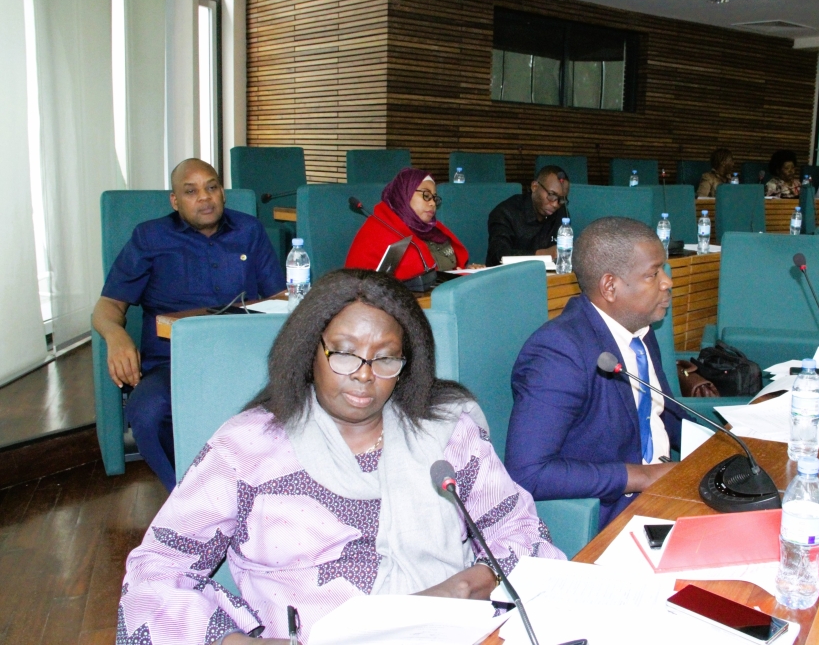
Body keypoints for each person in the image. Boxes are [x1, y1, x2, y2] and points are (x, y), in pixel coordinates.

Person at [117, 269, 564, 644]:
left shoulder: (447, 434)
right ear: (310, 349)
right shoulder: (245, 449)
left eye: (385, 359)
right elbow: (154, 572)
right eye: (345, 354)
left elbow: (521, 532)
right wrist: (235, 642)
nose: (365, 376)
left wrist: (464, 585)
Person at [92, 158, 284, 491]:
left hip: (242, 358)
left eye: (212, 187)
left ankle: (257, 492)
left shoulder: (249, 231)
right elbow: (108, 305)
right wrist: (115, 335)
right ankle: (186, 495)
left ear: (222, 193)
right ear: (175, 201)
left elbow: (281, 297)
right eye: (191, 191)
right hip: (171, 364)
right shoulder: (150, 237)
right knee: (147, 414)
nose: (205, 198)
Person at [505, 217, 682, 529]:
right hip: (611, 513)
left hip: (665, 490)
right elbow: (528, 473)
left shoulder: (639, 327)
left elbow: (661, 413)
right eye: (653, 274)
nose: (667, 282)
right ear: (610, 286)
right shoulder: (559, 351)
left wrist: (724, 448)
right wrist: (644, 476)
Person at [345, 168, 469, 289]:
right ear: (405, 194)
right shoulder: (379, 230)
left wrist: (466, 273)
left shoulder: (434, 229)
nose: (432, 203)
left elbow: (446, 270)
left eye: (434, 198)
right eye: (426, 195)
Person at [485, 165, 570, 266]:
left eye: (561, 199)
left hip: (548, 274)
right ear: (534, 187)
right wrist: (543, 254)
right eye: (551, 195)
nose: (555, 204)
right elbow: (499, 255)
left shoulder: (561, 213)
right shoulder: (505, 213)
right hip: (508, 274)